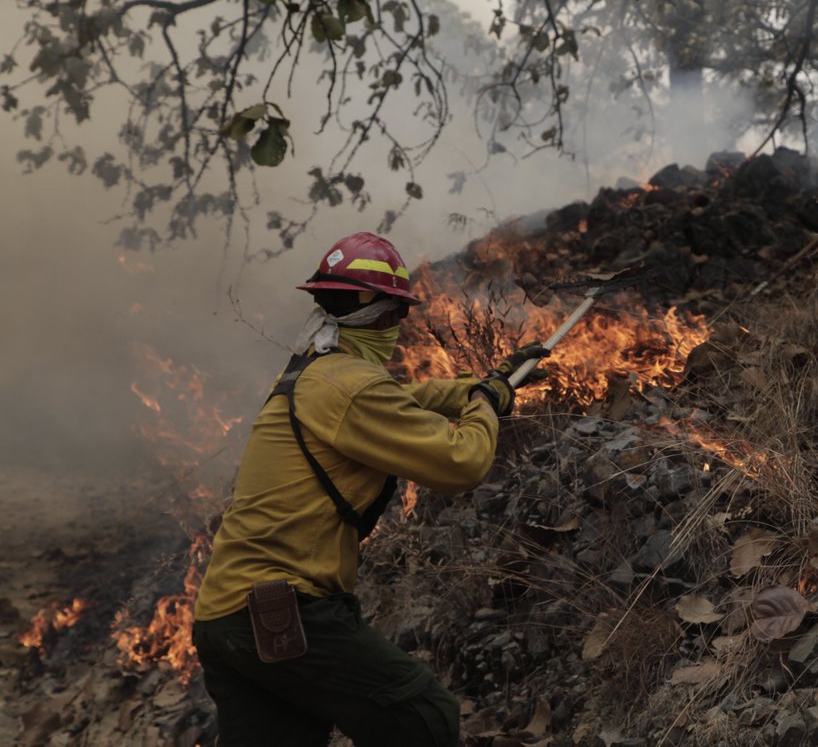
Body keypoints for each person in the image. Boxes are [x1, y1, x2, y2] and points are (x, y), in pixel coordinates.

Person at [191, 231, 549, 747]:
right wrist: (486, 406)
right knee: (420, 717)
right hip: (279, 609)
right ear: (376, 314)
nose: (398, 327)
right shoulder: (349, 386)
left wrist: (486, 383)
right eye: (397, 315)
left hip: (225, 618)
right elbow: (461, 462)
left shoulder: (314, 374)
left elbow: (403, 398)